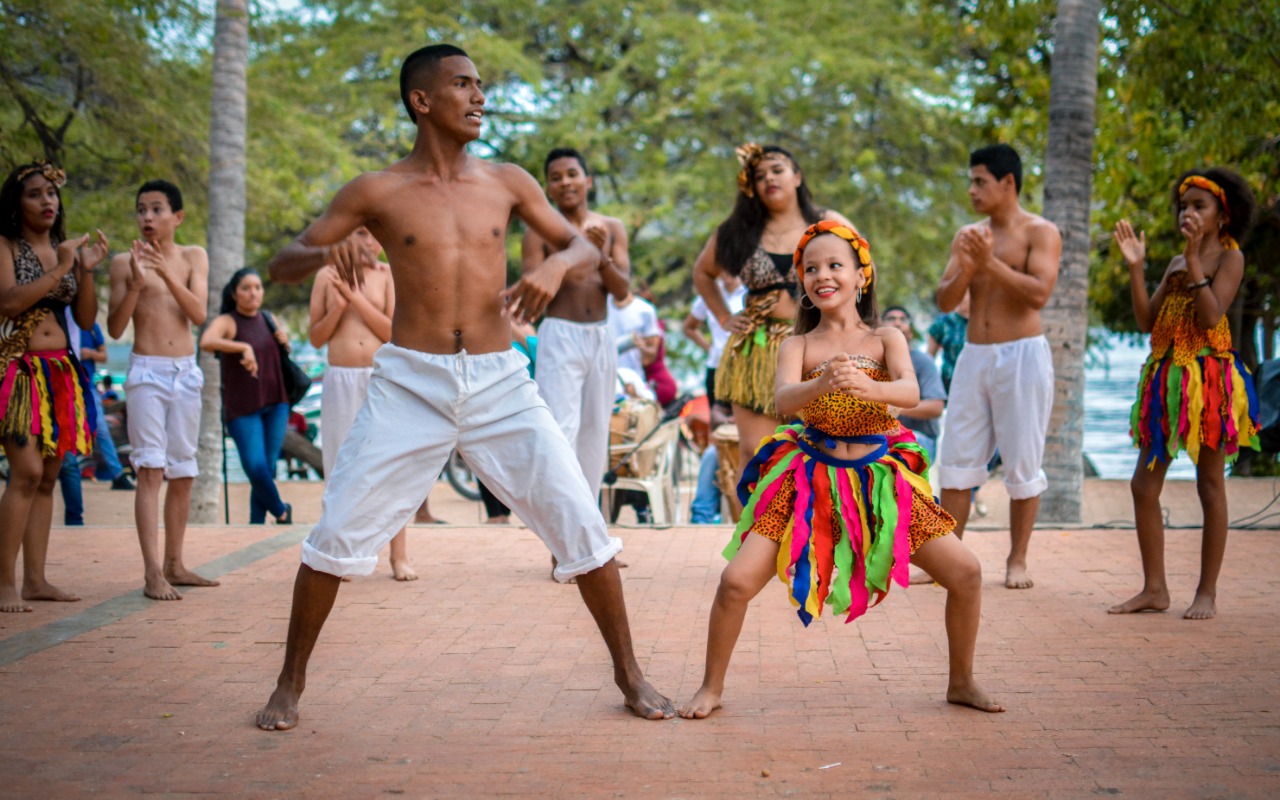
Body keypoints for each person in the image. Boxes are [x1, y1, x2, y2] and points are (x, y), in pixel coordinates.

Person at [255, 44, 672, 731]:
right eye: (462, 85)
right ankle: (288, 685)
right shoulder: (375, 191)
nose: (479, 96)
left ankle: (630, 672)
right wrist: (327, 249)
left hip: (500, 381)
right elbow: (284, 261)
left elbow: (584, 248)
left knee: (581, 521)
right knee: (335, 530)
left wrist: (552, 267)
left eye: (481, 85)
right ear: (422, 101)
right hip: (409, 383)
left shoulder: (507, 181)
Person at [679, 221, 1002, 719]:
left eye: (834, 266)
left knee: (966, 572)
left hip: (880, 484)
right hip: (807, 482)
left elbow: (912, 393)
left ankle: (962, 681)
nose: (822, 275)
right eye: (810, 269)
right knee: (736, 582)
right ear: (802, 282)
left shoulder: (886, 338)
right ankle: (711, 687)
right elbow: (784, 399)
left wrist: (869, 388)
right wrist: (824, 382)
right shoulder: (798, 344)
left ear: (861, 276)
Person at [1110, 169, 1259, 620]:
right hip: (1166, 381)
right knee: (1143, 485)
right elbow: (1145, 322)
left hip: (1209, 382)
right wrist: (1137, 267)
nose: (1188, 212)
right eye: (1184, 205)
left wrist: (1195, 259)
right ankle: (1155, 588)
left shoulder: (1230, 259)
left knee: (1209, 484)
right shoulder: (1176, 262)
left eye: (1199, 205)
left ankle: (1206, 592)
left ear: (1222, 216)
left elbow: (1213, 318)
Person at [934, 144, 1061, 590]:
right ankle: (949, 557)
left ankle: (1017, 560)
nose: (971, 190)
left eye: (980, 182)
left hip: (1022, 354)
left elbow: (1039, 294)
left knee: (1023, 459)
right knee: (956, 459)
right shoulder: (968, 234)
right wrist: (970, 267)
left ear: (1008, 183)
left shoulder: (1040, 232)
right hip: (974, 355)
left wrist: (990, 264)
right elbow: (945, 301)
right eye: (970, 181)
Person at [693, 143, 857, 476]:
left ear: (796, 176)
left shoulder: (827, 223)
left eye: (777, 170)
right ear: (750, 187)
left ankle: (814, 527)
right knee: (757, 453)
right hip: (757, 350)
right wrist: (725, 317)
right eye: (759, 175)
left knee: (822, 447)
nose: (769, 178)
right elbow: (702, 273)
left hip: (816, 347)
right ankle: (755, 528)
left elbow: (864, 267)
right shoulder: (736, 232)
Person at [0, 161, 108, 612]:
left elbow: (85, 320)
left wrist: (84, 271)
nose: (47, 201)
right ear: (16, 203)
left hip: (59, 371)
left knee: (47, 478)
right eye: (35, 194)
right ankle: (5, 583)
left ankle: (36, 580)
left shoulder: (66, 252)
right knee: (24, 473)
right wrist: (61, 264)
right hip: (18, 370)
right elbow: (7, 301)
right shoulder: (5, 246)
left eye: (51, 193)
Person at [108, 179, 217, 600]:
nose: (147, 217)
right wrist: (136, 283)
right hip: (147, 371)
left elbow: (198, 312)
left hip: (185, 372)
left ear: (177, 217)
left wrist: (166, 273)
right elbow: (116, 327)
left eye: (156, 209)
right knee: (150, 468)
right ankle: (153, 572)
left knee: (184, 470)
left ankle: (176, 562)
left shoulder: (194, 256)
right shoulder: (123, 262)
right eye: (141, 210)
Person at [309, 226, 416, 580]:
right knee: (341, 463)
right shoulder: (326, 276)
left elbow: (392, 332)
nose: (368, 241)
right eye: (360, 233)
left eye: (374, 234)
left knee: (391, 463)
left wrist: (353, 297)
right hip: (340, 377)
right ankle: (338, 555)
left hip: (380, 376)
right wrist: (338, 304)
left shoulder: (387, 276)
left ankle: (398, 556)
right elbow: (316, 337)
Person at [200, 268, 293, 526]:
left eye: (257, 287)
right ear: (234, 293)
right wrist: (243, 346)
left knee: (268, 467)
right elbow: (206, 341)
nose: (253, 293)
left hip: (276, 402)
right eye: (246, 288)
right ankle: (282, 511)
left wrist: (285, 341)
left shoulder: (267, 318)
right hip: (243, 407)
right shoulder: (228, 321)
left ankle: (256, 525)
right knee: (255, 466)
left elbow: (280, 355)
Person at [476, 317, 538, 525]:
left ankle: (506, 512)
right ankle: (495, 514)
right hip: (489, 395)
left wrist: (514, 329)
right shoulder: (484, 323)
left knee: (515, 460)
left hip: (519, 398)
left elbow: (540, 355)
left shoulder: (526, 328)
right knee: (484, 455)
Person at [881, 306, 946, 464]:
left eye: (903, 320)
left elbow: (936, 407)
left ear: (910, 330)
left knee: (898, 458)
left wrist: (894, 408)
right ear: (879, 327)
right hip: (878, 437)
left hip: (918, 437)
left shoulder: (923, 362)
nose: (897, 323)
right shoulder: (870, 362)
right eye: (891, 319)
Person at [77, 320, 133, 489]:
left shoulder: (90, 326)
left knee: (101, 431)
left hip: (87, 387)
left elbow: (104, 355)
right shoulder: (61, 319)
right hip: (63, 385)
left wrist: (88, 354)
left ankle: (117, 474)